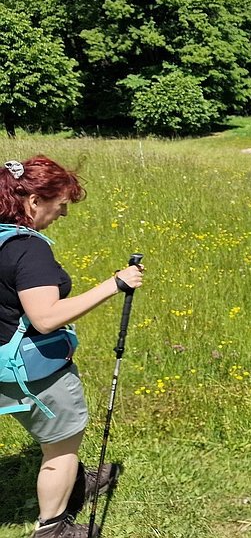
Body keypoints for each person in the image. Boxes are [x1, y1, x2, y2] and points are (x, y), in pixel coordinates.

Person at [0, 157, 145, 538]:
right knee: (61, 447)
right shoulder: (28, 251)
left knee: (52, 437)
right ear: (33, 202)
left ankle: (75, 479)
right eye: (59, 206)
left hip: (2, 366)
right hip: (33, 372)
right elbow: (46, 317)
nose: (62, 215)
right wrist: (115, 284)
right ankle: (52, 528)